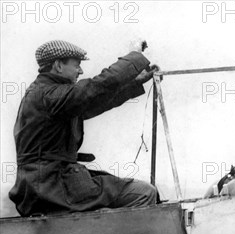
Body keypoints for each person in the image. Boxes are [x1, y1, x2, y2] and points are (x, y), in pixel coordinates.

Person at [9, 39, 160, 217]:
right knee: (144, 193)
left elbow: (95, 101)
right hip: (53, 187)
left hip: (41, 186)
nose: (80, 71)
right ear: (58, 65)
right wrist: (135, 56)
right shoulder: (50, 94)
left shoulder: (43, 93)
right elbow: (98, 85)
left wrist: (136, 81)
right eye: (77, 65)